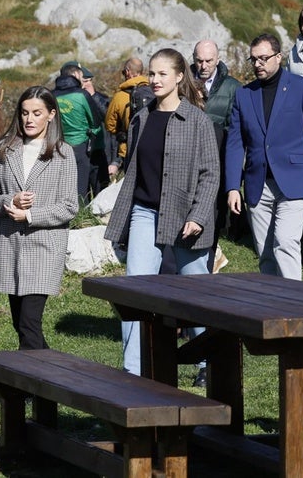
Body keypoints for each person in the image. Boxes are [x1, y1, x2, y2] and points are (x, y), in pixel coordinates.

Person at [104, 48, 219, 381]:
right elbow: (136, 171)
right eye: (151, 73)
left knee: (195, 296)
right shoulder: (142, 116)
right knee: (135, 294)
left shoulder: (197, 119)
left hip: (187, 218)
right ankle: (133, 372)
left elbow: (211, 173)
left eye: (161, 74)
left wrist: (197, 216)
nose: (154, 80)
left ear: (180, 76)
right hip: (145, 212)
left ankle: (206, 363)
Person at [0, 86, 78, 350]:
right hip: (11, 247)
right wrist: (8, 201)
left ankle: (29, 387)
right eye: (24, 113)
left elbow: (69, 206)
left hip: (45, 248)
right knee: (20, 325)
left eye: (37, 113)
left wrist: (30, 214)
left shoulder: (63, 154)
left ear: (51, 115)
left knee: (28, 323)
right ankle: (53, 378)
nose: (29, 119)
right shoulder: (3, 149)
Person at [226, 33, 303, 280]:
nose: (258, 64)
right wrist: (232, 187)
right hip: (257, 184)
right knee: (265, 252)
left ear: (279, 57)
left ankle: (296, 307)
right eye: (253, 59)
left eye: (264, 58)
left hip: (295, 182)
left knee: (285, 242)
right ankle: (272, 308)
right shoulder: (243, 94)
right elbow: (235, 144)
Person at [191, 39, 242, 273]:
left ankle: (210, 259)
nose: (203, 65)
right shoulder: (184, 81)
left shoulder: (232, 87)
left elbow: (237, 128)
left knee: (215, 212)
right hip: (189, 159)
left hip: (219, 160)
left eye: (208, 61)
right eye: (199, 60)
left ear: (218, 60)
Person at [52, 61, 103, 205]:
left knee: (62, 186)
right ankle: (80, 217)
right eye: (81, 77)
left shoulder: (51, 95)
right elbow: (95, 121)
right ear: (74, 76)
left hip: (58, 145)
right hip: (81, 145)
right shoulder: (81, 95)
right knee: (81, 186)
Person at [104, 57, 150, 178]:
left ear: (128, 72)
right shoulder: (154, 92)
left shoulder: (119, 96)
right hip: (152, 146)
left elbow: (109, 125)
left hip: (129, 149)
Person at [80, 68, 111, 192]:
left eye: (89, 80)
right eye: (84, 81)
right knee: (82, 193)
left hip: (98, 151)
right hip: (81, 151)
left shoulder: (101, 98)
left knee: (101, 191)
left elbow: (108, 118)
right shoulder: (75, 99)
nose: (88, 84)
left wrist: (93, 96)